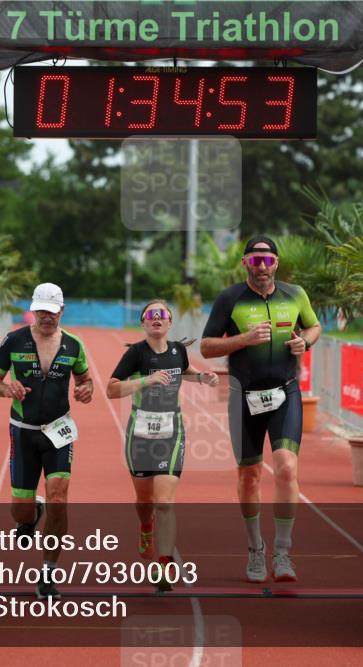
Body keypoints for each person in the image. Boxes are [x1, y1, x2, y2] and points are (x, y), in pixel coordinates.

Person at [200, 236, 321, 583]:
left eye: (268, 261)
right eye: (255, 261)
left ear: (277, 263)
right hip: (244, 396)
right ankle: (255, 549)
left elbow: (314, 325)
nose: (262, 267)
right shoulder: (230, 299)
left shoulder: (295, 294)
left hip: (286, 392)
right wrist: (244, 340)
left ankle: (283, 552)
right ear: (245, 264)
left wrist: (305, 342)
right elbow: (207, 346)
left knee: (285, 468)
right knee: (249, 476)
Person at [0, 283, 94, 599]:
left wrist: (86, 391)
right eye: (41, 310)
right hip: (23, 430)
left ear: (62, 310)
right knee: (19, 512)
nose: (46, 316)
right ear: (33, 310)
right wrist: (6, 389)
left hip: (59, 431)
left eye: (52, 311)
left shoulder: (74, 345)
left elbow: (85, 381)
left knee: (60, 499)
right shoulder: (14, 340)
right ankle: (32, 514)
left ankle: (47, 573)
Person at [107, 300, 218, 591]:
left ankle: (165, 566)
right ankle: (146, 527)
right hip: (141, 432)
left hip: (172, 430)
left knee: (165, 501)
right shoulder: (135, 353)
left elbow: (187, 372)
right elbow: (112, 389)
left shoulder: (178, 351)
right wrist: (146, 381)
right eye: (151, 315)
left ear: (169, 323)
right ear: (143, 322)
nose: (157, 318)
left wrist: (204, 378)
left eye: (163, 314)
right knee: (145, 503)